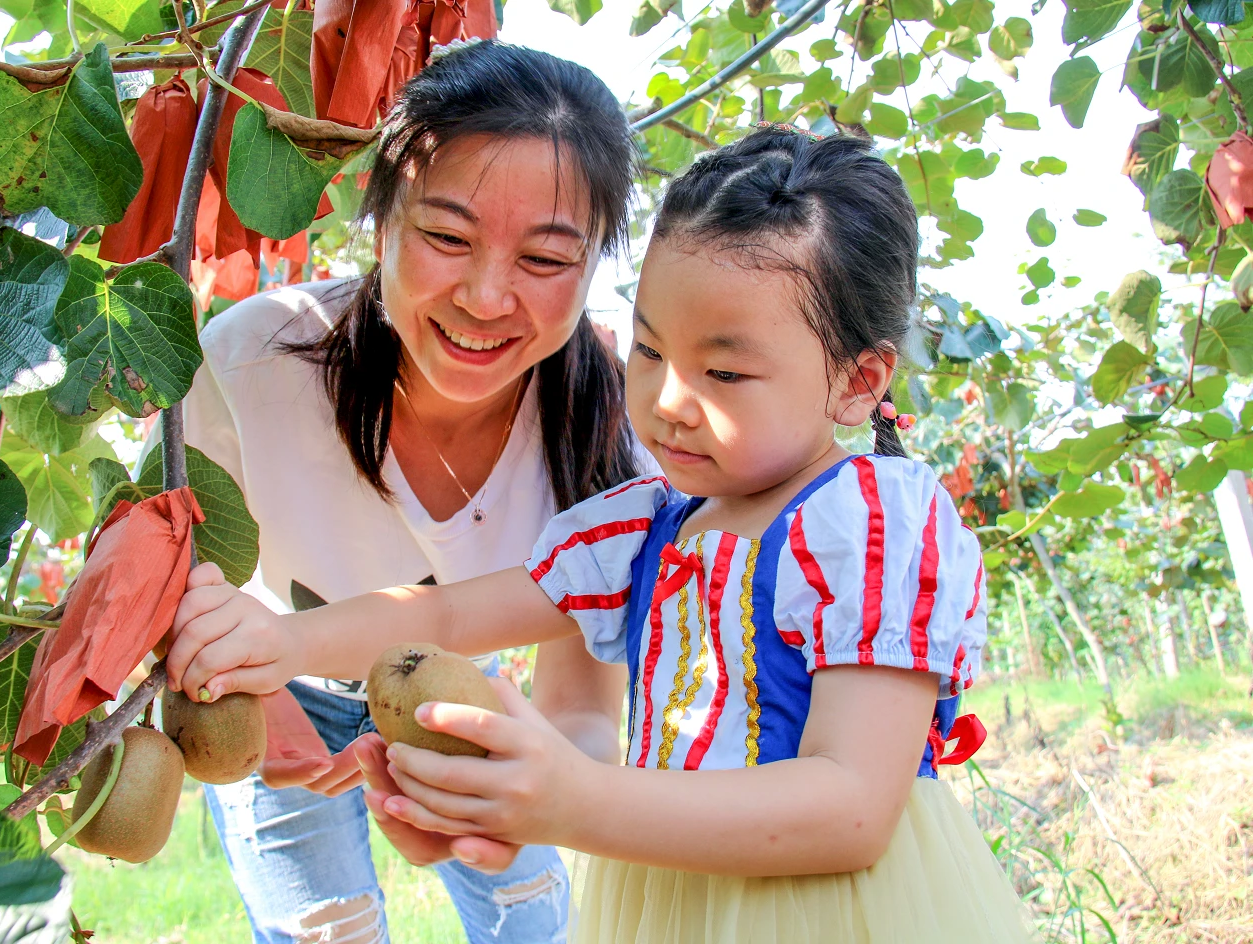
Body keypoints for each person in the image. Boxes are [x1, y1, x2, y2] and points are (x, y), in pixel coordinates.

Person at [168, 127, 1035, 942]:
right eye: (652, 352)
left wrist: (573, 801)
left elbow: (851, 807)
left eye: (724, 371)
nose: (665, 401)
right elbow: (449, 620)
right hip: (678, 898)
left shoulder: (869, 526)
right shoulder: (644, 529)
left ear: (858, 382)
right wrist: (282, 642)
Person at [181, 40, 642, 944]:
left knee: (535, 920)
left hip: (460, 694)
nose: (484, 296)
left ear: (594, 268)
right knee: (325, 929)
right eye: (445, 236)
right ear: (380, 223)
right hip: (282, 678)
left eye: (546, 259)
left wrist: (533, 793)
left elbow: (584, 705)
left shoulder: (611, 424)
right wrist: (252, 692)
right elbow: (189, 566)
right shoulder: (247, 363)